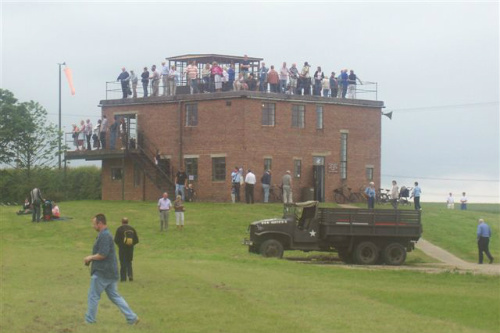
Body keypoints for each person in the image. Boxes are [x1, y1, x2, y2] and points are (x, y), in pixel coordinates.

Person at [84, 214, 139, 325]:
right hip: (110, 272)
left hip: (103, 272)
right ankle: (132, 317)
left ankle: (90, 320)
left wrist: (90, 257)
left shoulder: (104, 235)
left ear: (100, 223)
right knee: (115, 296)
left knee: (93, 296)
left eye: (94, 224)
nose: (93, 226)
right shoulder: (104, 235)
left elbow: (103, 254)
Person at [114, 217, 139, 282]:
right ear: (128, 222)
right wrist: (131, 244)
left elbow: (116, 240)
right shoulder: (132, 229)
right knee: (129, 262)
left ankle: (123, 278)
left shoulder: (119, 229)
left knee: (122, 263)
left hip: (122, 249)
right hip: (130, 249)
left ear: (122, 222)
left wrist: (120, 245)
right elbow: (136, 240)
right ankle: (130, 275)